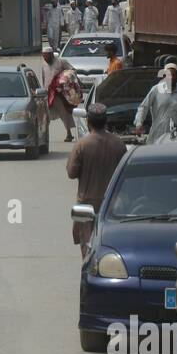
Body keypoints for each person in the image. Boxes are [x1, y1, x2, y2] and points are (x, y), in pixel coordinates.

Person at [66, 104, 127, 259]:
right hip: (113, 203)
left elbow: (71, 173)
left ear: (88, 122)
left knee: (87, 248)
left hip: (87, 204)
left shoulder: (82, 144)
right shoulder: (119, 143)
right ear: (105, 122)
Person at [135, 63, 177, 143]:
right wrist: (139, 123)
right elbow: (143, 107)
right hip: (158, 136)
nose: (171, 78)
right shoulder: (156, 90)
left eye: (173, 75)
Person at [41, 47, 78, 142]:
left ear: (51, 54)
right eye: (43, 56)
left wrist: (64, 79)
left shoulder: (61, 62)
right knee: (45, 114)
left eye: (47, 56)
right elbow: (44, 79)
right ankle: (43, 134)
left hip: (58, 92)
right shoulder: (44, 64)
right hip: (47, 92)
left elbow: (72, 70)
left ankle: (69, 133)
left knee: (64, 113)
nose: (45, 58)